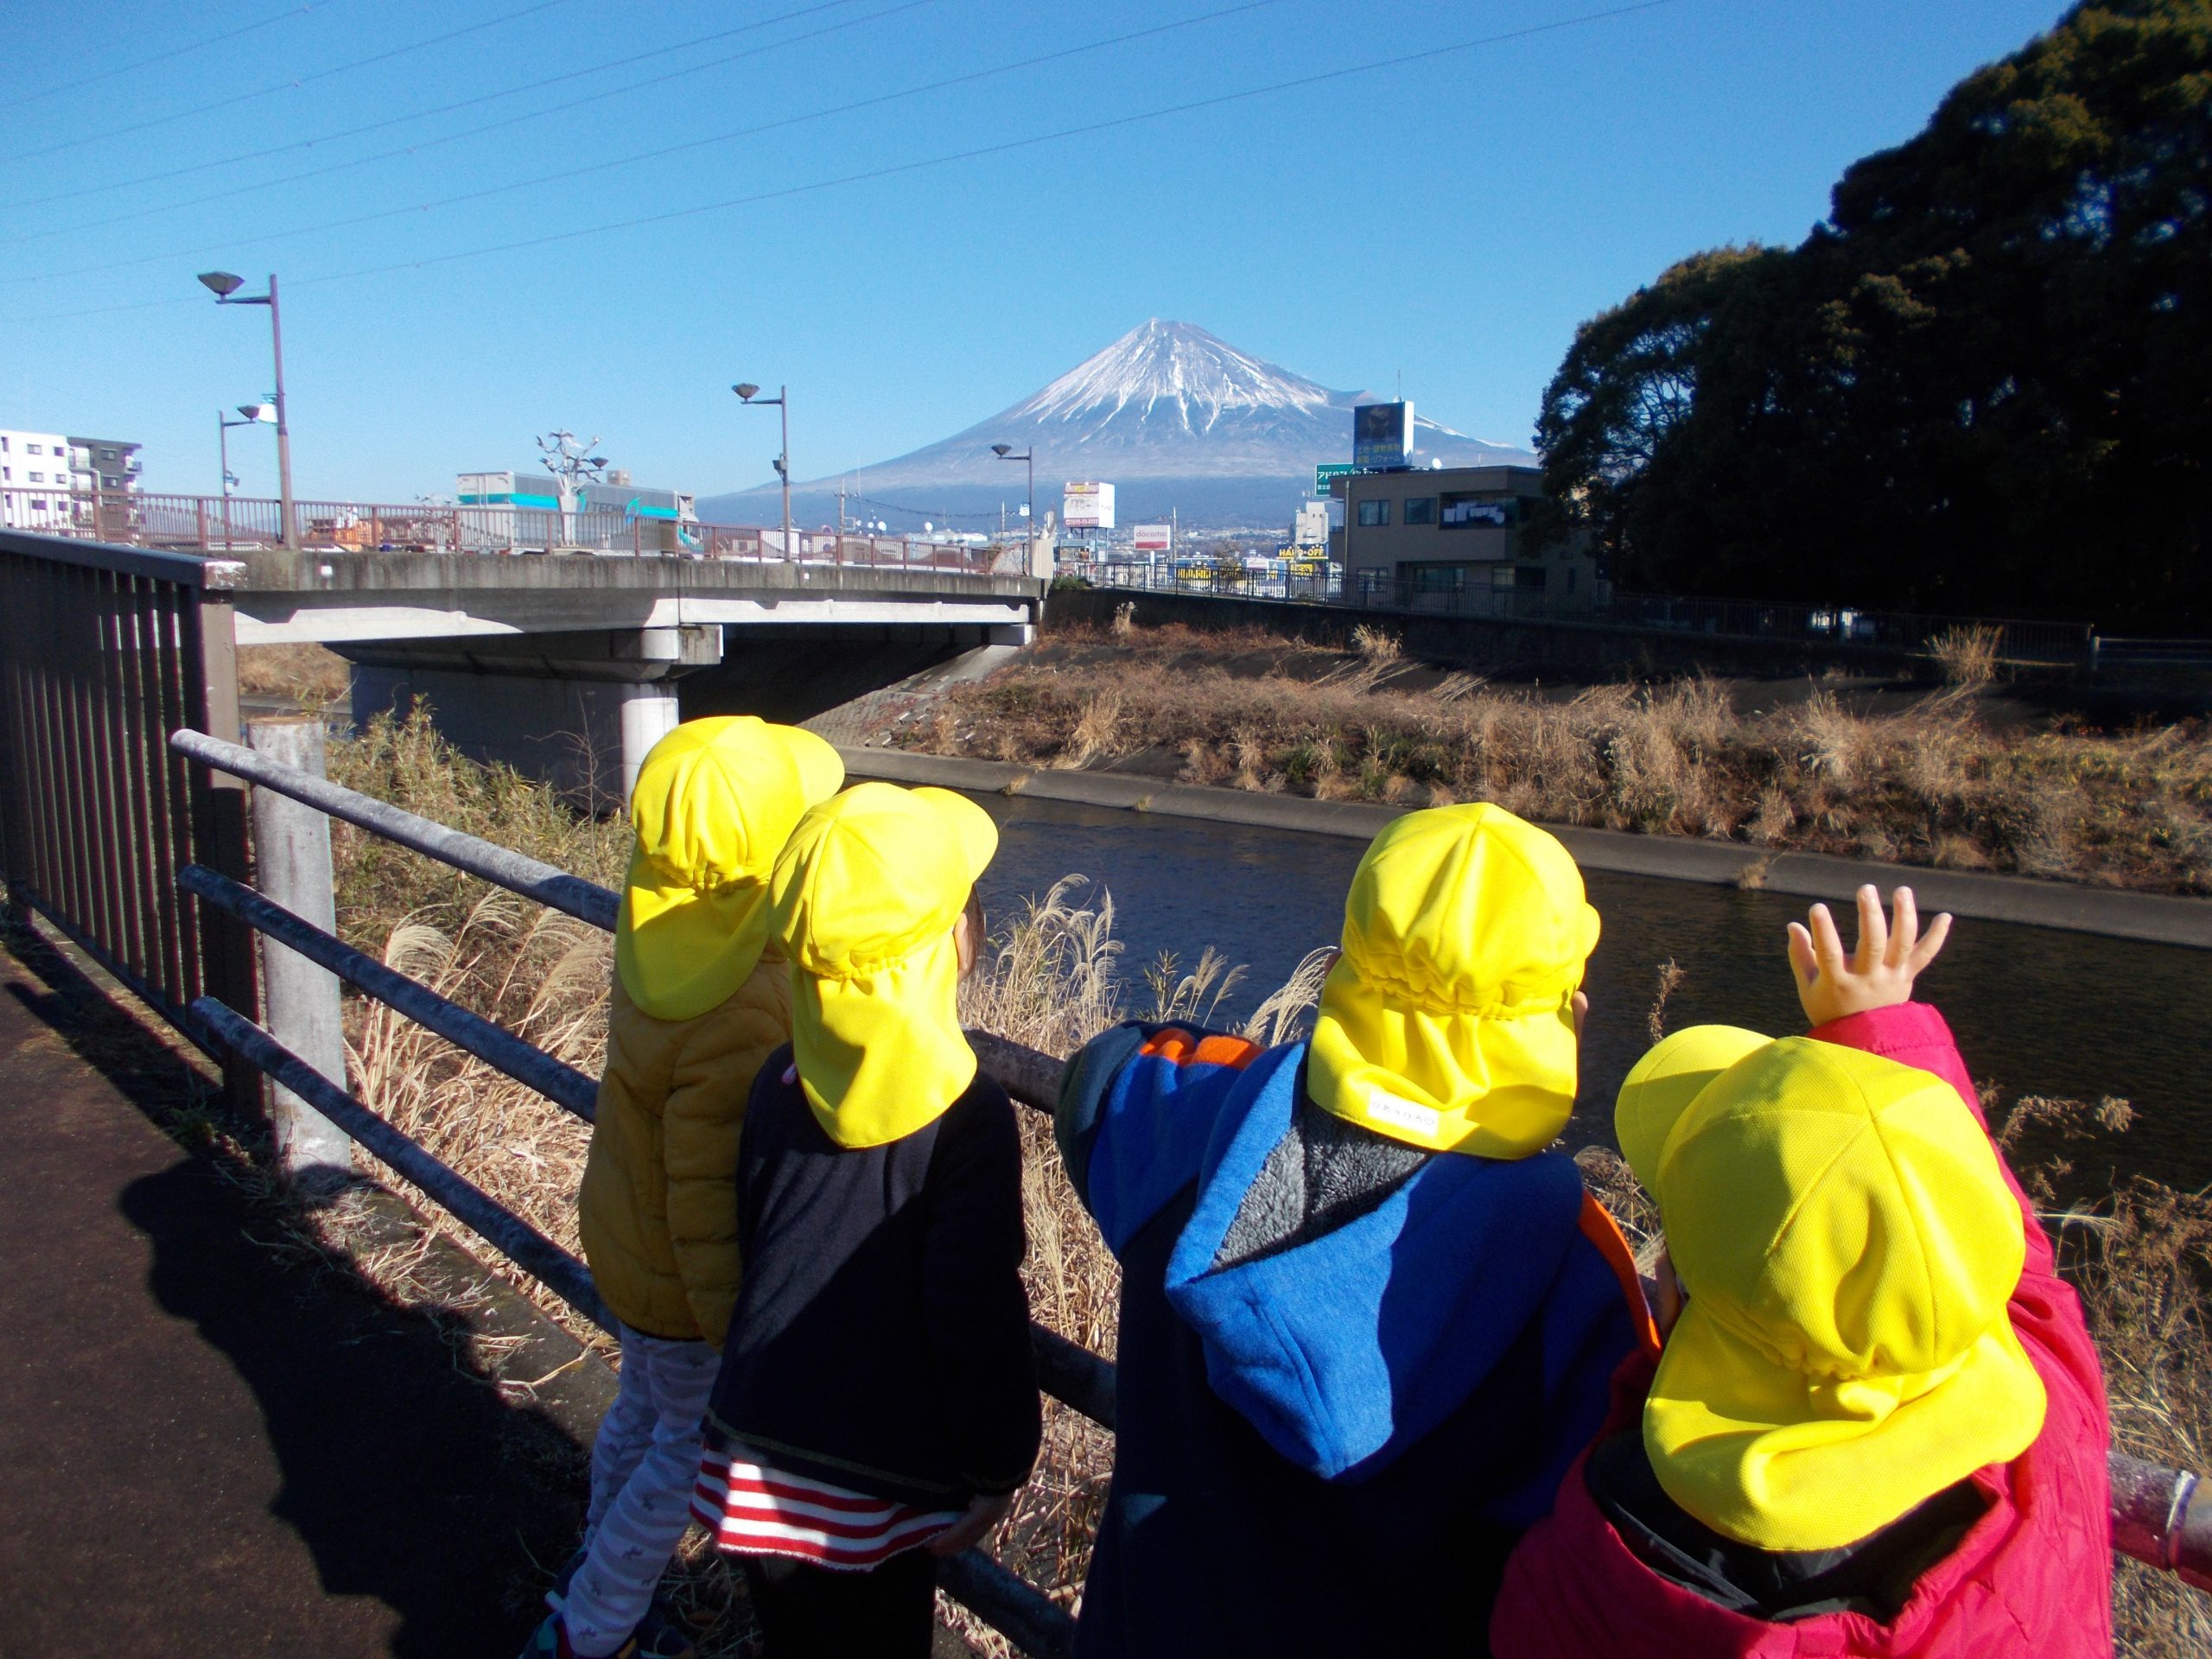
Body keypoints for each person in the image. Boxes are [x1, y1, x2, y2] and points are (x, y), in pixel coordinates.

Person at [1053, 803, 1656, 1657]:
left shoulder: (1191, 1119)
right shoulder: (1578, 1270)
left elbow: (1097, 1080)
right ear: (1567, 1019)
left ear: (1339, 967)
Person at [1489, 886, 2113, 1658]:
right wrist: (1881, 1029)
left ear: (1675, 1292)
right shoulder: (2049, 1411)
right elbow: (2018, 1258)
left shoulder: (1605, 1551)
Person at [692, 782, 1041, 1659]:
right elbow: (973, 1309)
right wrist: (999, 1463)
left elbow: (754, 1242)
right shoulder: (966, 1117)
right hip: (870, 1487)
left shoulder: (781, 1078)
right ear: (951, 944)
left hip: (749, 1451)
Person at [523, 717, 844, 1659]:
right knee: (686, 1450)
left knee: (639, 1410)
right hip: (683, 1280)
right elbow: (710, 1198)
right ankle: (593, 1627)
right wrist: (730, 1327)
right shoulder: (741, 1003)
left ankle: (588, 1562)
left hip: (628, 1236)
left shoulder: (661, 918)